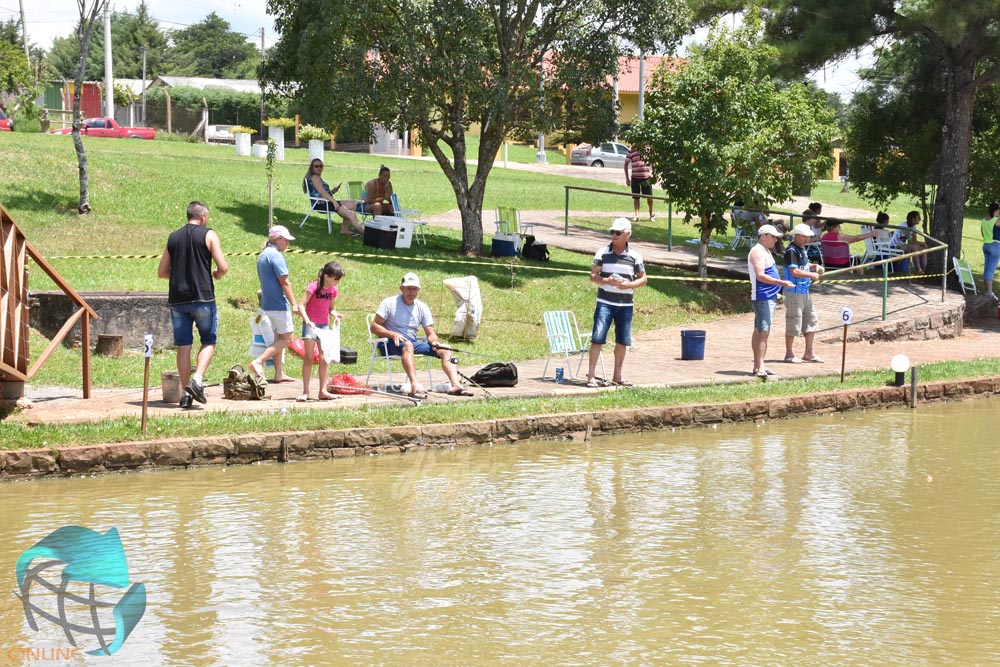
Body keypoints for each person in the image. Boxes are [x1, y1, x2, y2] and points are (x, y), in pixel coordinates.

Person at [157, 201, 228, 409]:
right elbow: (223, 266)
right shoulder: (209, 235)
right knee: (208, 340)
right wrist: (217, 274)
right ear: (203, 217)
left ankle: (185, 395)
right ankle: (197, 380)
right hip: (203, 297)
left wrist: (179, 276)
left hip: (178, 299)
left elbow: (162, 272)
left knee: (184, 346)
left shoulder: (173, 237)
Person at [371, 272, 467, 398]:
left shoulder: (422, 307)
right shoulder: (389, 303)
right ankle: (414, 385)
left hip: (410, 344)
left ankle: (455, 385)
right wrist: (392, 334)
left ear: (418, 290)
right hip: (389, 344)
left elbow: (430, 333)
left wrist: (434, 342)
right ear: (402, 288)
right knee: (408, 345)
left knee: (446, 349)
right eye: (408, 288)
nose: (411, 292)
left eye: (414, 289)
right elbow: (374, 326)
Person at [585, 217, 647, 388]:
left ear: (627, 234)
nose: (614, 235)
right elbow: (592, 276)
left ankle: (617, 377)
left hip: (625, 304)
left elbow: (643, 279)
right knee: (597, 338)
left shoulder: (635, 256)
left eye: (618, 233)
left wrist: (629, 285)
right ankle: (590, 376)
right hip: (605, 302)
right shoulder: (602, 253)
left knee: (623, 340)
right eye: (612, 232)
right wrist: (606, 281)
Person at [249, 225, 300, 383]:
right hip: (278, 304)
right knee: (288, 339)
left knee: (277, 337)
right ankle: (258, 362)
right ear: (278, 239)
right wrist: (294, 304)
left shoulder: (263, 254)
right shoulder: (276, 256)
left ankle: (279, 373)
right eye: (286, 240)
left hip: (267, 303)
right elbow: (285, 282)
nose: (288, 244)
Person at [748, 225, 795, 378]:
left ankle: (758, 366)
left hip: (769, 296)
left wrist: (777, 293)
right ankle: (760, 367)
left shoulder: (766, 251)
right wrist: (782, 283)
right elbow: (760, 275)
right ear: (763, 236)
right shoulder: (757, 251)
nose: (776, 239)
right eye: (773, 236)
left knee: (759, 330)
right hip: (763, 297)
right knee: (763, 332)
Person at [296, 261, 345, 402]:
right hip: (311, 325)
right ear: (327, 276)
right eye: (335, 279)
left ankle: (322, 390)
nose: (337, 282)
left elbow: (330, 308)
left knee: (324, 358)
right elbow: (301, 305)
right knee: (309, 358)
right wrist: (307, 320)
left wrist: (335, 314)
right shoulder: (313, 287)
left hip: (324, 326)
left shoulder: (333, 291)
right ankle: (305, 391)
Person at [783, 224, 825, 363]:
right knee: (793, 321)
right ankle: (789, 354)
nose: (808, 239)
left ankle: (809, 352)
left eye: (808, 236)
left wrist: (815, 267)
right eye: (805, 236)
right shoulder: (791, 251)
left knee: (811, 320)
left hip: (805, 291)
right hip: (794, 292)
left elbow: (804, 266)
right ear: (797, 236)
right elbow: (793, 271)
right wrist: (811, 275)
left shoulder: (802, 249)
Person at [303, 159, 365, 235]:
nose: (319, 168)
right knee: (351, 214)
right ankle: (367, 234)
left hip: (325, 202)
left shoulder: (315, 177)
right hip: (321, 204)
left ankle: (345, 229)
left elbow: (321, 192)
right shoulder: (315, 177)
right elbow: (322, 192)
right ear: (312, 167)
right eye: (316, 166)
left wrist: (333, 191)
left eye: (321, 166)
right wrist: (334, 202)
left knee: (352, 204)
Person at [624, 146, 654, 222]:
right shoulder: (631, 150)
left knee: (649, 197)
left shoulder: (648, 149)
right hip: (635, 177)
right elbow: (626, 164)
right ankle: (636, 215)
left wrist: (654, 175)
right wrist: (627, 178)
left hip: (646, 178)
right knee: (636, 197)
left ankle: (651, 214)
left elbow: (654, 162)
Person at [982, 202, 1000, 300]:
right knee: (991, 270)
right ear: (996, 211)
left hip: (985, 245)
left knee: (986, 268)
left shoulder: (984, 220)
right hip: (995, 245)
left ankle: (986, 291)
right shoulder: (997, 220)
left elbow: (982, 233)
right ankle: (989, 292)